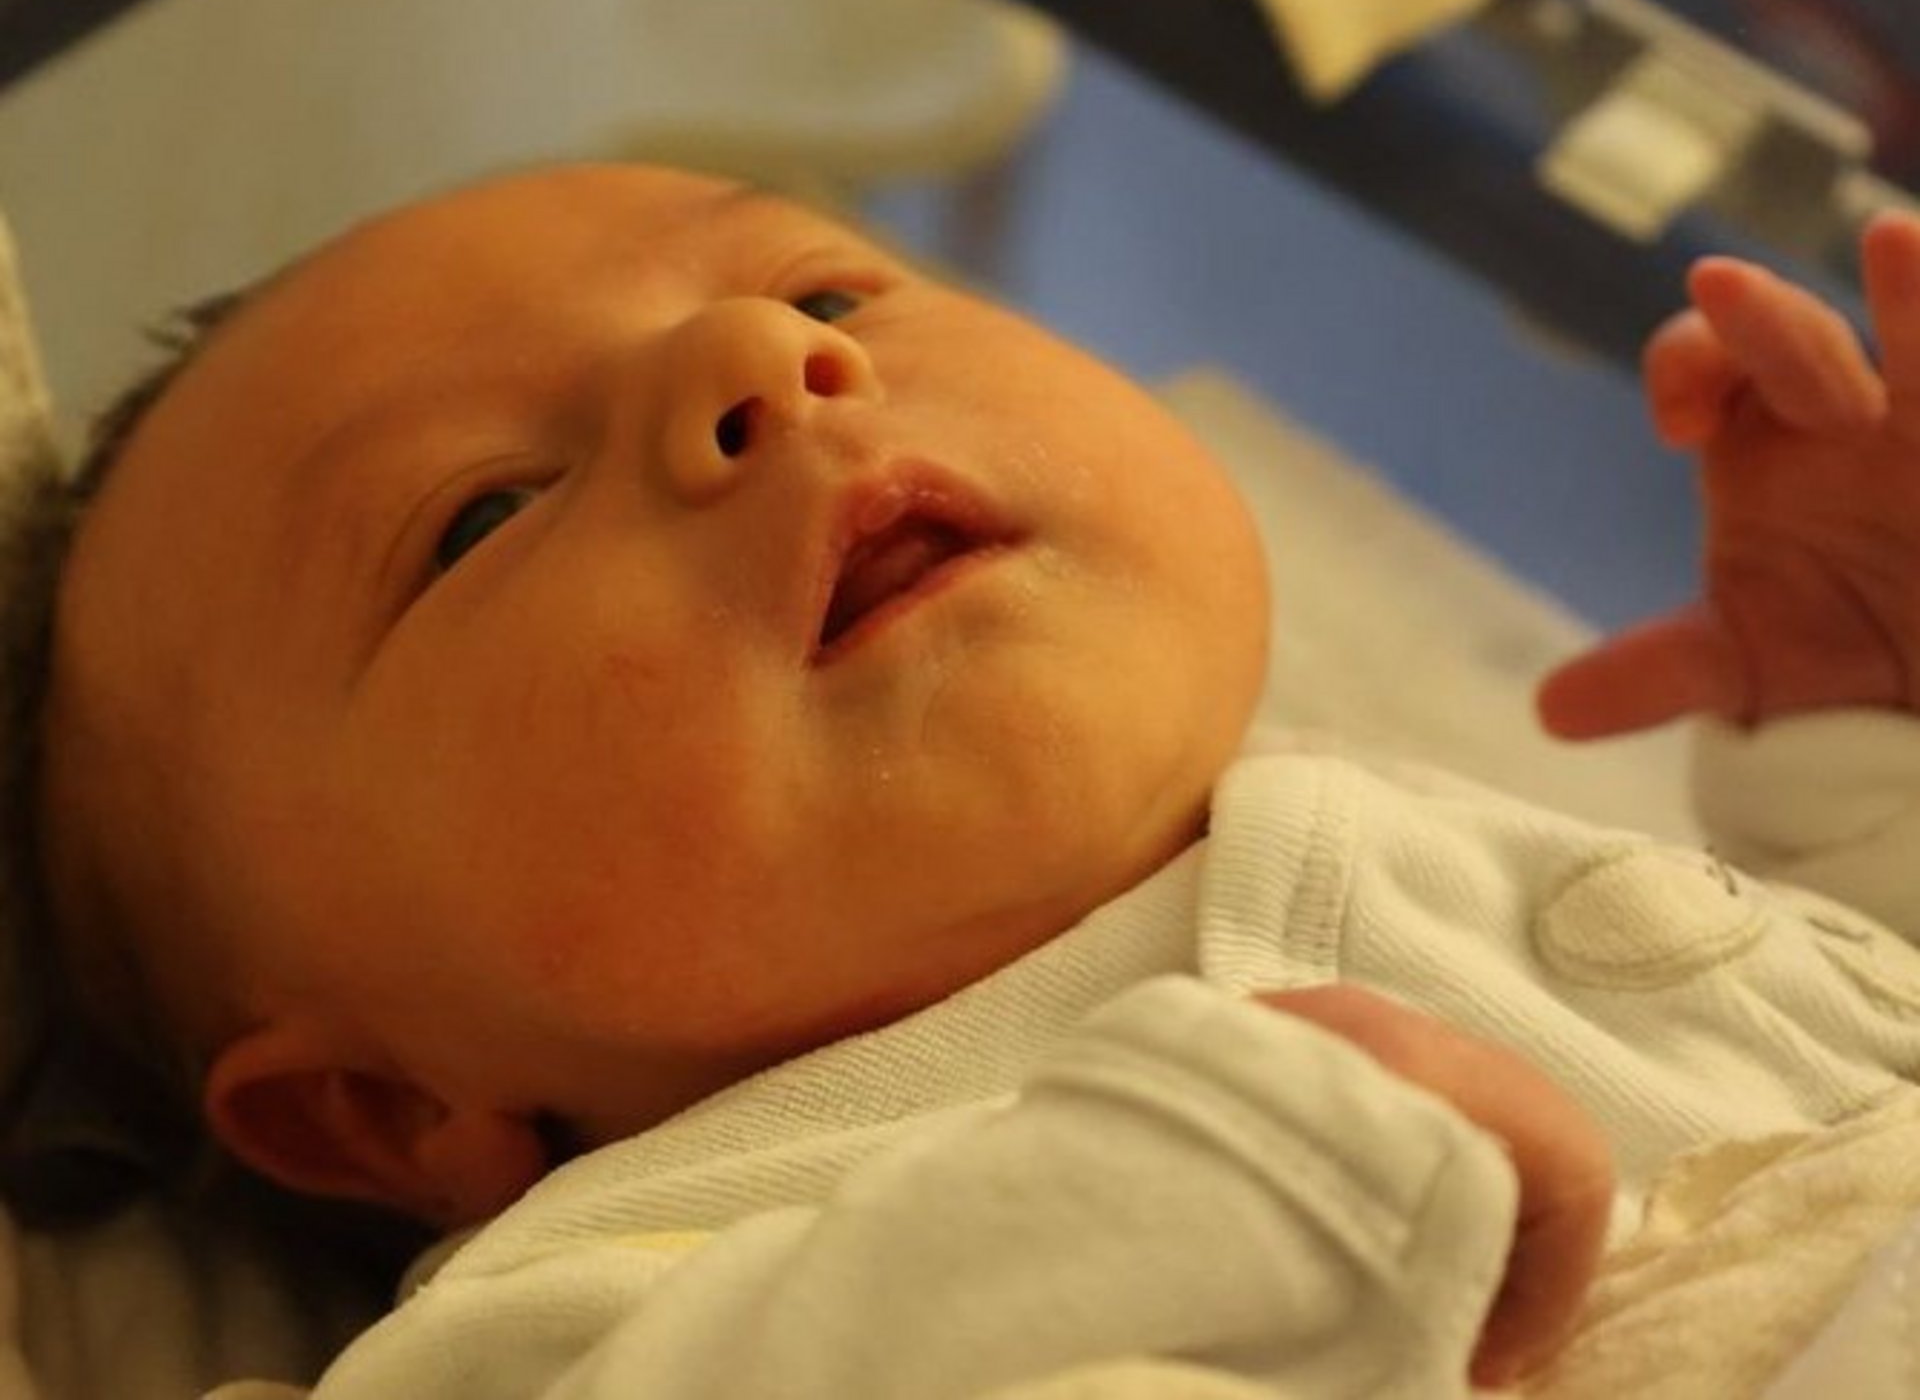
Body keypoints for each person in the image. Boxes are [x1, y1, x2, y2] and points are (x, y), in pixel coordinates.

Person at [21, 164, 1920, 1399]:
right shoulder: (625, 1301)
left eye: (833, 296)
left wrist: (1860, 746)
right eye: (479, 517)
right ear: (380, 1107)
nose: (760, 358)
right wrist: (1198, 1196)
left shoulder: (1429, 841)